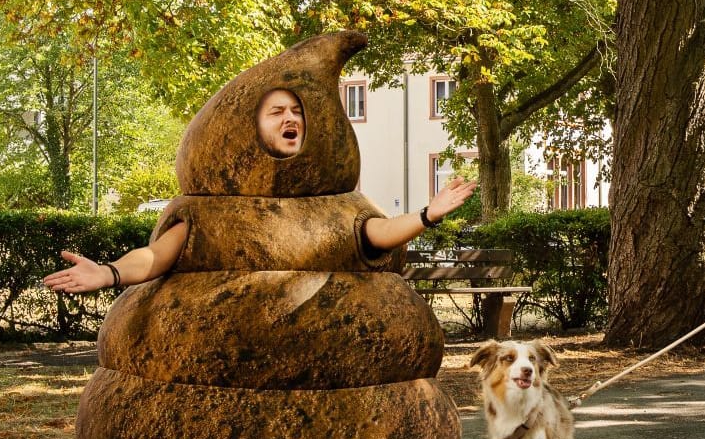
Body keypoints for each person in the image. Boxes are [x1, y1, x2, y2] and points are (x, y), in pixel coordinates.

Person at [43, 88, 478, 294]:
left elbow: (372, 234)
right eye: (277, 112)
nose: (291, 119)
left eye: (296, 112)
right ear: (251, 127)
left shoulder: (335, 202)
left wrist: (428, 214)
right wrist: (108, 272)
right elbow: (158, 256)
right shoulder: (211, 210)